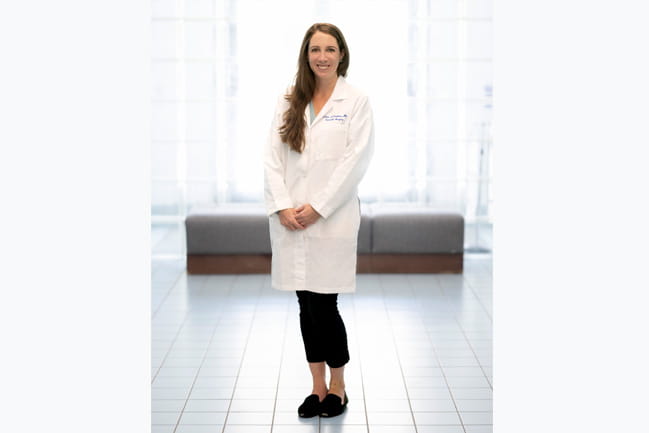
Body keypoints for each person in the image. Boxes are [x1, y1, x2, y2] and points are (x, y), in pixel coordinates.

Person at [263, 23, 374, 418]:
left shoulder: (355, 101)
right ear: (305, 55)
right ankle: (317, 388)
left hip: (331, 219)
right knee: (304, 305)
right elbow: (272, 160)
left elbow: (354, 163)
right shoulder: (289, 99)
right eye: (315, 49)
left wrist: (318, 207)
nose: (322, 56)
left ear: (341, 54)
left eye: (330, 49)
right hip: (292, 219)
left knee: (325, 305)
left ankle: (339, 387)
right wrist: (282, 206)